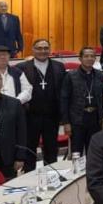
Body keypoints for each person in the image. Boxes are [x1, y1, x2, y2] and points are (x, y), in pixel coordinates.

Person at [20, 39, 66, 171]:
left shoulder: (59, 67)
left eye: (46, 48)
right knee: (30, 149)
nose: (43, 51)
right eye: (39, 48)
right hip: (30, 116)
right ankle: (30, 177)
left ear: (50, 49)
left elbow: (63, 92)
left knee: (51, 148)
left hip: (52, 116)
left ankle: (51, 175)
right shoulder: (22, 67)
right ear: (33, 50)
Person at [60, 47, 103, 156]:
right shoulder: (70, 75)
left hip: (95, 118)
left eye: (92, 56)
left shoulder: (99, 75)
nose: (89, 58)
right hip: (77, 119)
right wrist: (66, 122)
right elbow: (64, 100)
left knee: (94, 151)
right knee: (77, 152)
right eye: (86, 56)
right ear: (80, 58)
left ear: (95, 58)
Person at [0, 68, 27, 178]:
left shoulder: (14, 104)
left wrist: (20, 157)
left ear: (2, 81)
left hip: (8, 157)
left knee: (8, 191)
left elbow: (21, 132)